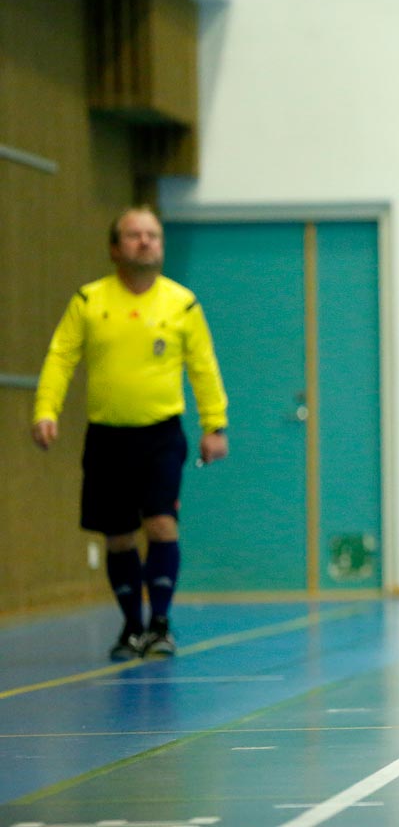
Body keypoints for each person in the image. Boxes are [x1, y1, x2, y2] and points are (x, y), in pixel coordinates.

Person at [32, 206, 229, 662]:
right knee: (118, 536)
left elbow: (203, 367)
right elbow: (61, 357)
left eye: (153, 235)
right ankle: (131, 627)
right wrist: (46, 409)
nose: (145, 242)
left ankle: (160, 624)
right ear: (114, 247)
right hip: (107, 437)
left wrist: (213, 424)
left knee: (160, 523)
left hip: (160, 435)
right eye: (134, 235)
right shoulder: (89, 301)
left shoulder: (182, 304)